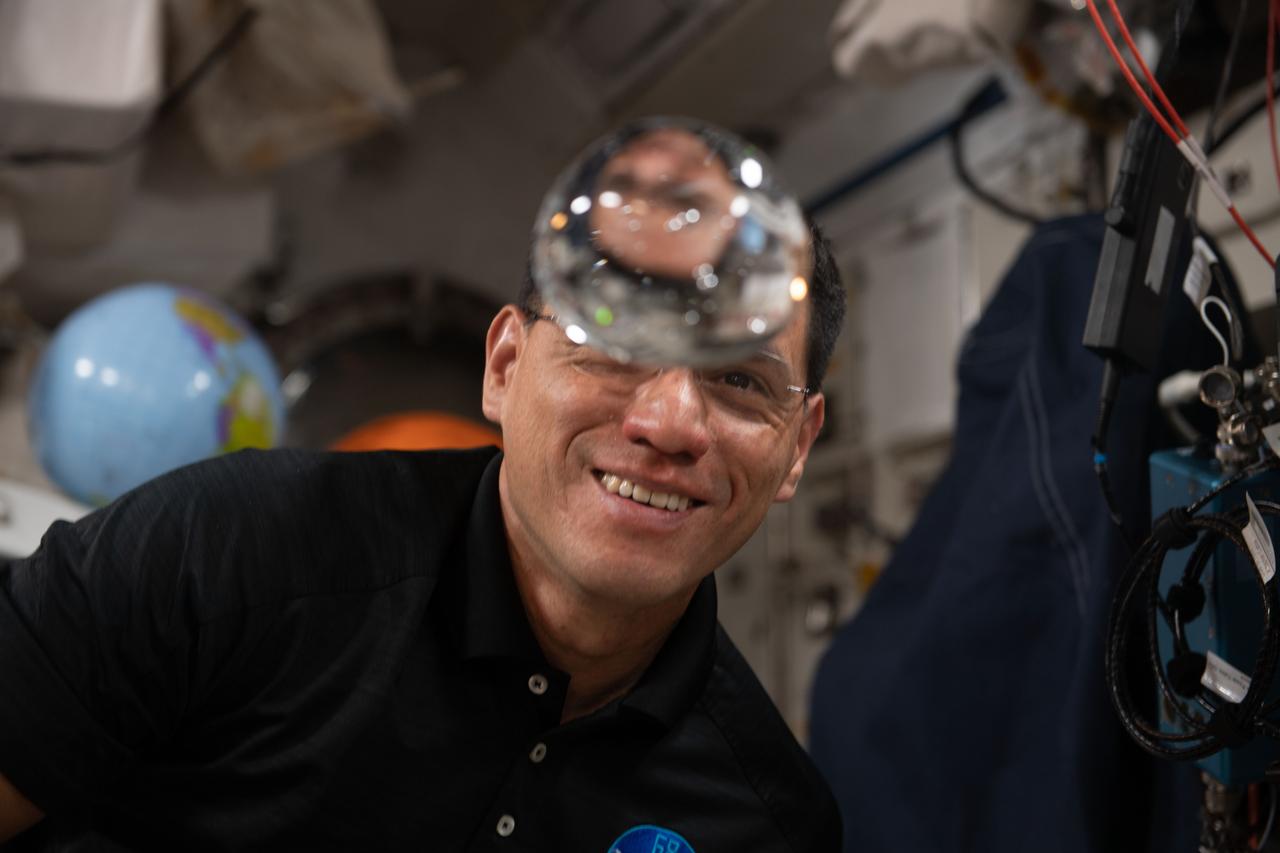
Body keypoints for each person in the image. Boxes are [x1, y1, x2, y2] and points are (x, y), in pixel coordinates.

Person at [0, 222, 846, 852]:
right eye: (617, 345)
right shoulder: (225, 556)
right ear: (505, 367)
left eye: (739, 379)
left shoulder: (767, 820)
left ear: (796, 445)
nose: (669, 421)